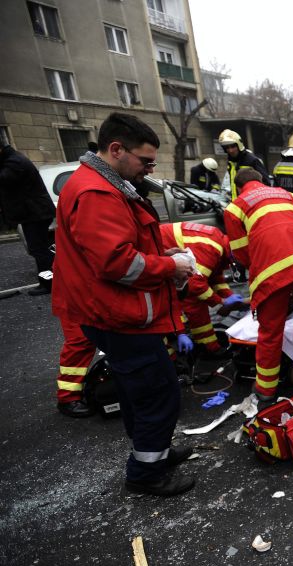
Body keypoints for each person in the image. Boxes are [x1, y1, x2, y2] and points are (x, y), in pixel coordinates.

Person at [51, 112, 197, 497]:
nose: (150, 169)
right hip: (118, 314)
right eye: (145, 161)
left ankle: (155, 454)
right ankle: (146, 473)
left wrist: (163, 256)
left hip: (110, 311)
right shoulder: (97, 192)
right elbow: (118, 262)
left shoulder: (104, 184)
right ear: (116, 150)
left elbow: (124, 246)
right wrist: (172, 265)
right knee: (158, 392)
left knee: (141, 389)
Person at [223, 170, 293, 403]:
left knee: (271, 332)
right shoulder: (290, 196)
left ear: (239, 187)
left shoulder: (235, 208)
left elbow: (242, 254)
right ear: (262, 181)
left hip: (272, 271)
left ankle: (266, 389)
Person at [159, 221, 246, 356]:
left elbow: (214, 277)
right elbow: (195, 285)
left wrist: (227, 295)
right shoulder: (211, 248)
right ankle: (207, 346)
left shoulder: (219, 245)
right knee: (195, 302)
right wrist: (221, 302)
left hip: (163, 252)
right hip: (157, 256)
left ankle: (202, 343)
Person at [0, 144, 56, 295]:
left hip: (36, 213)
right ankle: (51, 280)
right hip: (33, 213)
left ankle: (50, 283)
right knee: (40, 249)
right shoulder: (11, 160)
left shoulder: (14, 162)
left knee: (39, 249)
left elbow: (4, 180)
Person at [218, 129, 267, 200]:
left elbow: (266, 182)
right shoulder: (231, 162)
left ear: (239, 145)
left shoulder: (252, 160)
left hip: (252, 202)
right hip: (238, 202)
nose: (230, 150)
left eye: (232, 147)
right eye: (227, 148)